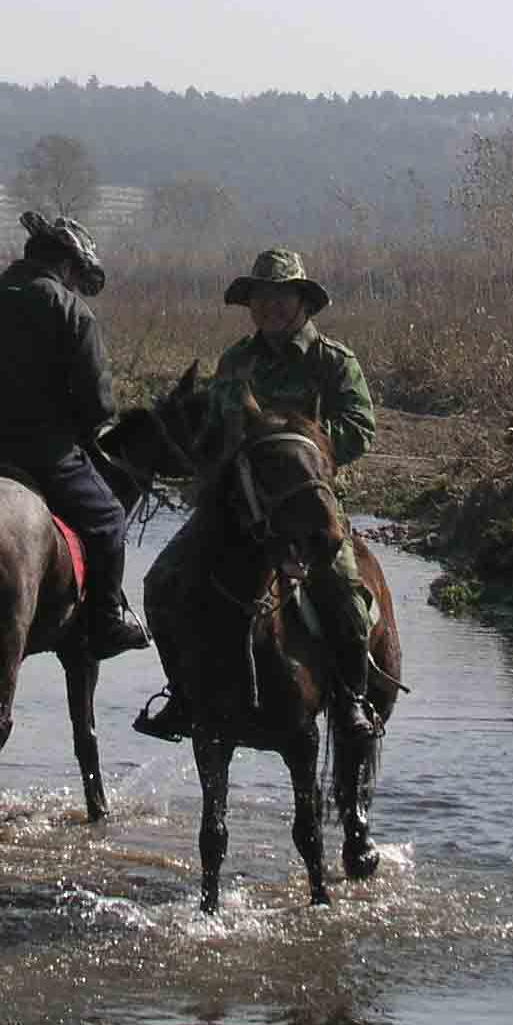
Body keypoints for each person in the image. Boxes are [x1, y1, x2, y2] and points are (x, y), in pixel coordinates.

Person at [133, 246, 381, 742]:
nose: (271, 306)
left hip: (308, 505)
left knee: (347, 597)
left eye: (282, 297)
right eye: (262, 298)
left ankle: (352, 700)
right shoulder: (236, 360)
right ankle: (182, 696)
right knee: (162, 581)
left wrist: (297, 441)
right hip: (238, 507)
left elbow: (360, 427)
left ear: (302, 302)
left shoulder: (333, 361)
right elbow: (219, 433)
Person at [0, 211, 153, 657]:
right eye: (76, 276)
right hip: (46, 457)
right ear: (69, 267)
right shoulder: (72, 310)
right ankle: (107, 620)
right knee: (109, 520)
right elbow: (97, 406)